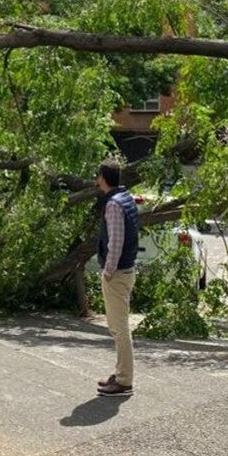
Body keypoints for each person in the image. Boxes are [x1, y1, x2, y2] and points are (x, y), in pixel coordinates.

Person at [94, 159, 140, 398]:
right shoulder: (127, 198)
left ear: (103, 177)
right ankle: (121, 373)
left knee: (119, 328)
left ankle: (124, 381)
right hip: (126, 270)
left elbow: (116, 242)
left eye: (98, 175)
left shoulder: (113, 205)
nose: (96, 180)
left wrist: (108, 272)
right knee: (118, 327)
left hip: (118, 274)